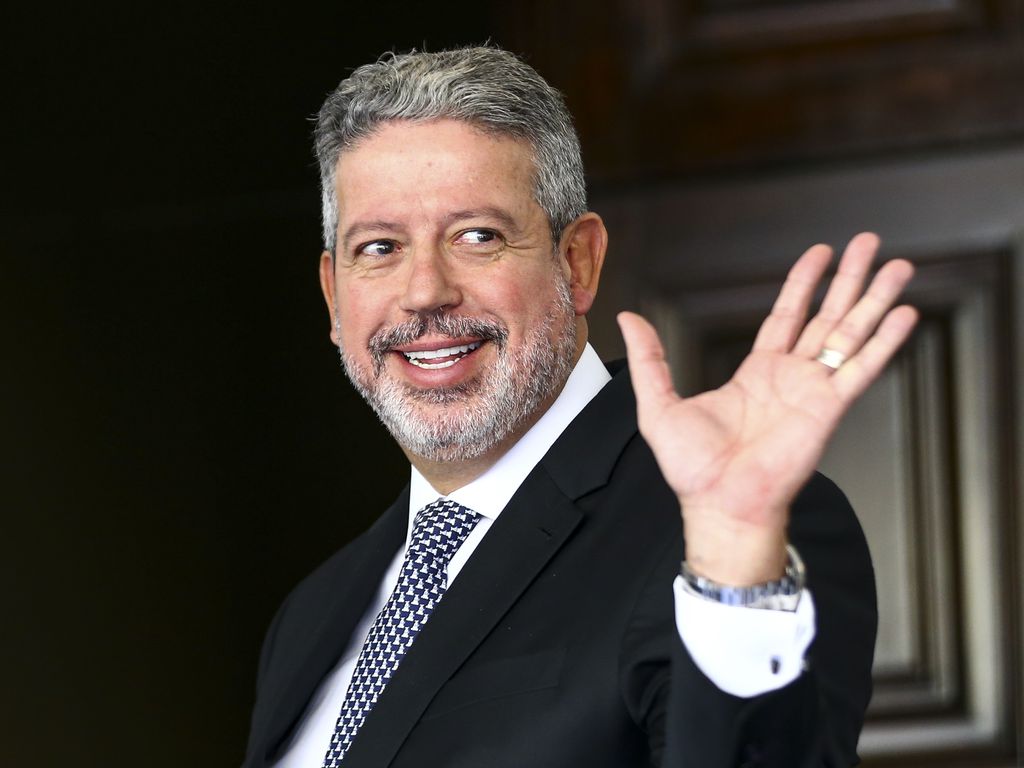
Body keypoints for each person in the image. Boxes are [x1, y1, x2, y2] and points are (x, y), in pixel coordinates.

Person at [242, 46, 917, 768]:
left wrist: (733, 561)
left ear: (578, 262)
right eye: (379, 247)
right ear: (333, 295)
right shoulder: (313, 611)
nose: (424, 291)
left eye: (478, 236)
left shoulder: (734, 537)